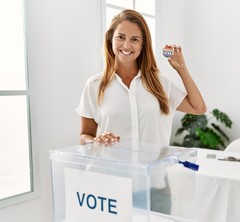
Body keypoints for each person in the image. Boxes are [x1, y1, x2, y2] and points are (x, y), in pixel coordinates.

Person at [76, 9, 206, 146]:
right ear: (110, 39)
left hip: (155, 167)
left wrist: (182, 69)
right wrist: (95, 141)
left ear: (143, 45)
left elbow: (199, 108)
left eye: (135, 39)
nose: (126, 45)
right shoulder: (94, 85)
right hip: (113, 166)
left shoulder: (160, 83)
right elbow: (85, 135)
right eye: (120, 37)